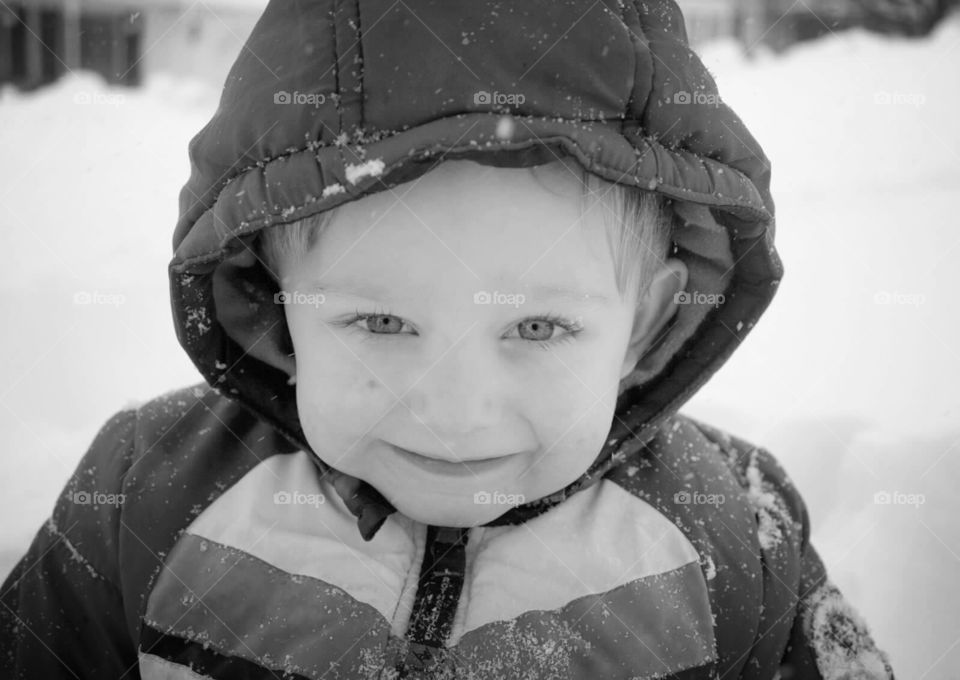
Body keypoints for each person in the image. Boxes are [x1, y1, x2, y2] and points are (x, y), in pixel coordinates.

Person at [0, 0, 895, 677]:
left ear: (647, 321)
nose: (456, 412)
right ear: (277, 297)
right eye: (379, 322)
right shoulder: (144, 502)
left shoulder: (733, 536)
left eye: (539, 327)